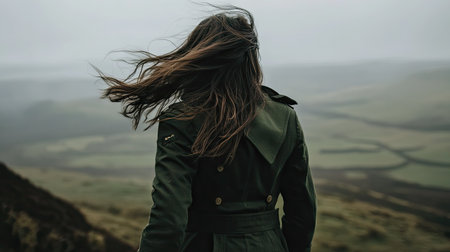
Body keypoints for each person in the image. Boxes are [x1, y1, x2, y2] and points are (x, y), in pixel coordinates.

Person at [97, 5, 316, 252]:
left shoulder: (183, 118)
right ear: (251, 61)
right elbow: (302, 214)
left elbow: (168, 218)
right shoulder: (285, 116)